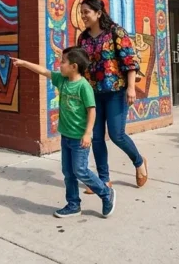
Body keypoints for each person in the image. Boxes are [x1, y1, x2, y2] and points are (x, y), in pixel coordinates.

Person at [12, 48, 117, 219]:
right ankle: (73, 204)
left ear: (74, 66)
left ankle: (106, 193)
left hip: (79, 139)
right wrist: (23, 63)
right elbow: (44, 71)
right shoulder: (62, 80)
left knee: (80, 171)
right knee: (68, 172)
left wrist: (87, 133)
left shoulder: (84, 86)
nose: (59, 65)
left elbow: (92, 111)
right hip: (66, 136)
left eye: (63, 62)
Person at [76, 0, 148, 194]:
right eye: (81, 13)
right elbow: (81, 67)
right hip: (92, 94)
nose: (83, 16)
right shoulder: (83, 38)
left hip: (116, 91)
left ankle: (139, 161)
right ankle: (103, 180)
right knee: (97, 137)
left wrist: (131, 87)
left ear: (98, 13)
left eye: (86, 12)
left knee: (117, 135)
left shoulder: (116, 32)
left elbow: (130, 61)